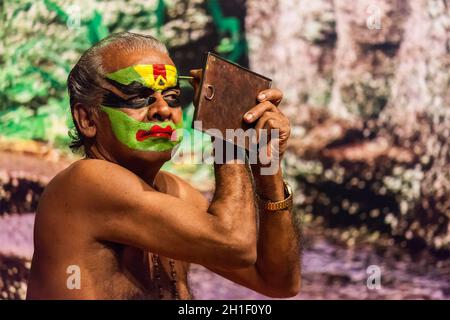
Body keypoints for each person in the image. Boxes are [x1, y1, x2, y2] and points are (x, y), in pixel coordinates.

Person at [26, 32, 300, 300]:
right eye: (138, 97)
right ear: (87, 119)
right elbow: (234, 243)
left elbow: (278, 282)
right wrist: (227, 126)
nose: (163, 110)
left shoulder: (175, 193)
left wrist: (267, 166)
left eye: (171, 98)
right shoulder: (85, 181)